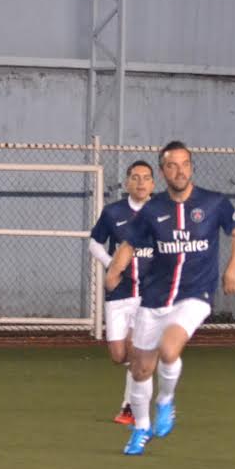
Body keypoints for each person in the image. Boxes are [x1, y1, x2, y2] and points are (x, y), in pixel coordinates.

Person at [106, 140, 235, 455]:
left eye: (185, 164)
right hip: (155, 298)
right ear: (163, 171)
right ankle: (141, 428)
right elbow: (130, 244)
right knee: (140, 370)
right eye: (172, 165)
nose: (180, 171)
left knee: (169, 349)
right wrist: (114, 271)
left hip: (195, 294)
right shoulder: (152, 210)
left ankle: (166, 401)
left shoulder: (214, 203)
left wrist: (232, 270)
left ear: (192, 167)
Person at [87, 159, 156, 424]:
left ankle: (131, 406)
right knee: (119, 355)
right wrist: (112, 266)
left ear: (153, 183)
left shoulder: (163, 213)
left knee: (137, 350)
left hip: (148, 295)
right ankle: (138, 373)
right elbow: (95, 244)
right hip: (118, 293)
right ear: (127, 183)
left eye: (146, 178)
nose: (140, 183)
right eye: (135, 177)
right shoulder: (113, 212)